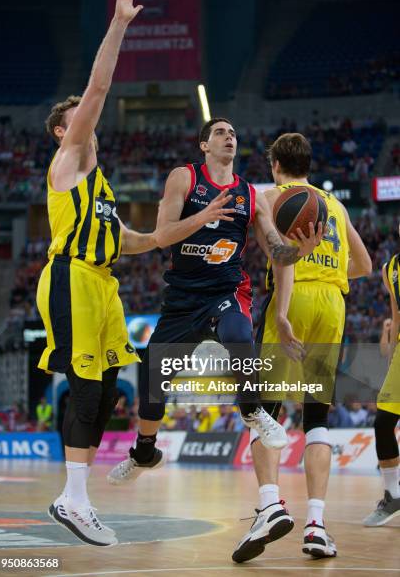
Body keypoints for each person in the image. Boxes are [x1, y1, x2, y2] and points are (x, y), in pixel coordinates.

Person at [107, 120, 322, 486]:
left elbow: (275, 250)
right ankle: (144, 451)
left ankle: (252, 410)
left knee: (239, 334)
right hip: (183, 299)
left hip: (226, 291)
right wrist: (203, 217)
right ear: (204, 145)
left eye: (234, 133)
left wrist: (297, 251)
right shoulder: (184, 178)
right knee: (151, 385)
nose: (229, 137)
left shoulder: (250, 195)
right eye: (221, 132)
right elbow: (162, 236)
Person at [36, 0, 158, 547]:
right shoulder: (69, 157)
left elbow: (134, 241)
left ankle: (75, 498)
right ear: (64, 131)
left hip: (102, 284)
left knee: (108, 392)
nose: (87, 120)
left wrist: (187, 231)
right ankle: (73, 499)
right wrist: (120, 23)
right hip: (70, 279)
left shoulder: (102, 187)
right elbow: (100, 87)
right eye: (77, 116)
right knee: (86, 391)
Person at [233, 132, 372, 562]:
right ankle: (316, 525)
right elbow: (365, 265)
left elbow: (280, 257)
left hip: (292, 301)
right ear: (309, 165)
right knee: (317, 421)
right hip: (333, 303)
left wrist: (286, 307)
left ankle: (270, 506)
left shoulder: (271, 196)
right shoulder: (336, 205)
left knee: (265, 413)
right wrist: (332, 273)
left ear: (275, 164)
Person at [363, 236, 400, 526]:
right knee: (383, 423)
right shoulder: (391, 268)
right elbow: (395, 315)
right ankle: (393, 494)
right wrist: (389, 350)